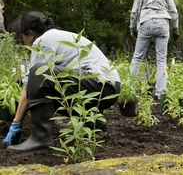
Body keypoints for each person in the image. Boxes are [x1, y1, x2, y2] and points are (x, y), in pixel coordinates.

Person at [2, 11, 121, 151]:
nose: (24, 43)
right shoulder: (58, 35)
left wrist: (16, 123)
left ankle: (40, 138)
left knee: (39, 72)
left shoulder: (43, 41)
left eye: (23, 38)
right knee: (52, 88)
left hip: (99, 84)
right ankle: (94, 122)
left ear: (30, 33)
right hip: (108, 87)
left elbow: (29, 84)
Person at [128, 0, 179, 104]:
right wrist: (175, 28)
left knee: (137, 57)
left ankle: (130, 90)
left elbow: (135, 11)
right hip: (163, 23)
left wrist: (132, 26)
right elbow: (173, 11)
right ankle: (160, 93)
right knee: (161, 60)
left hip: (146, 22)